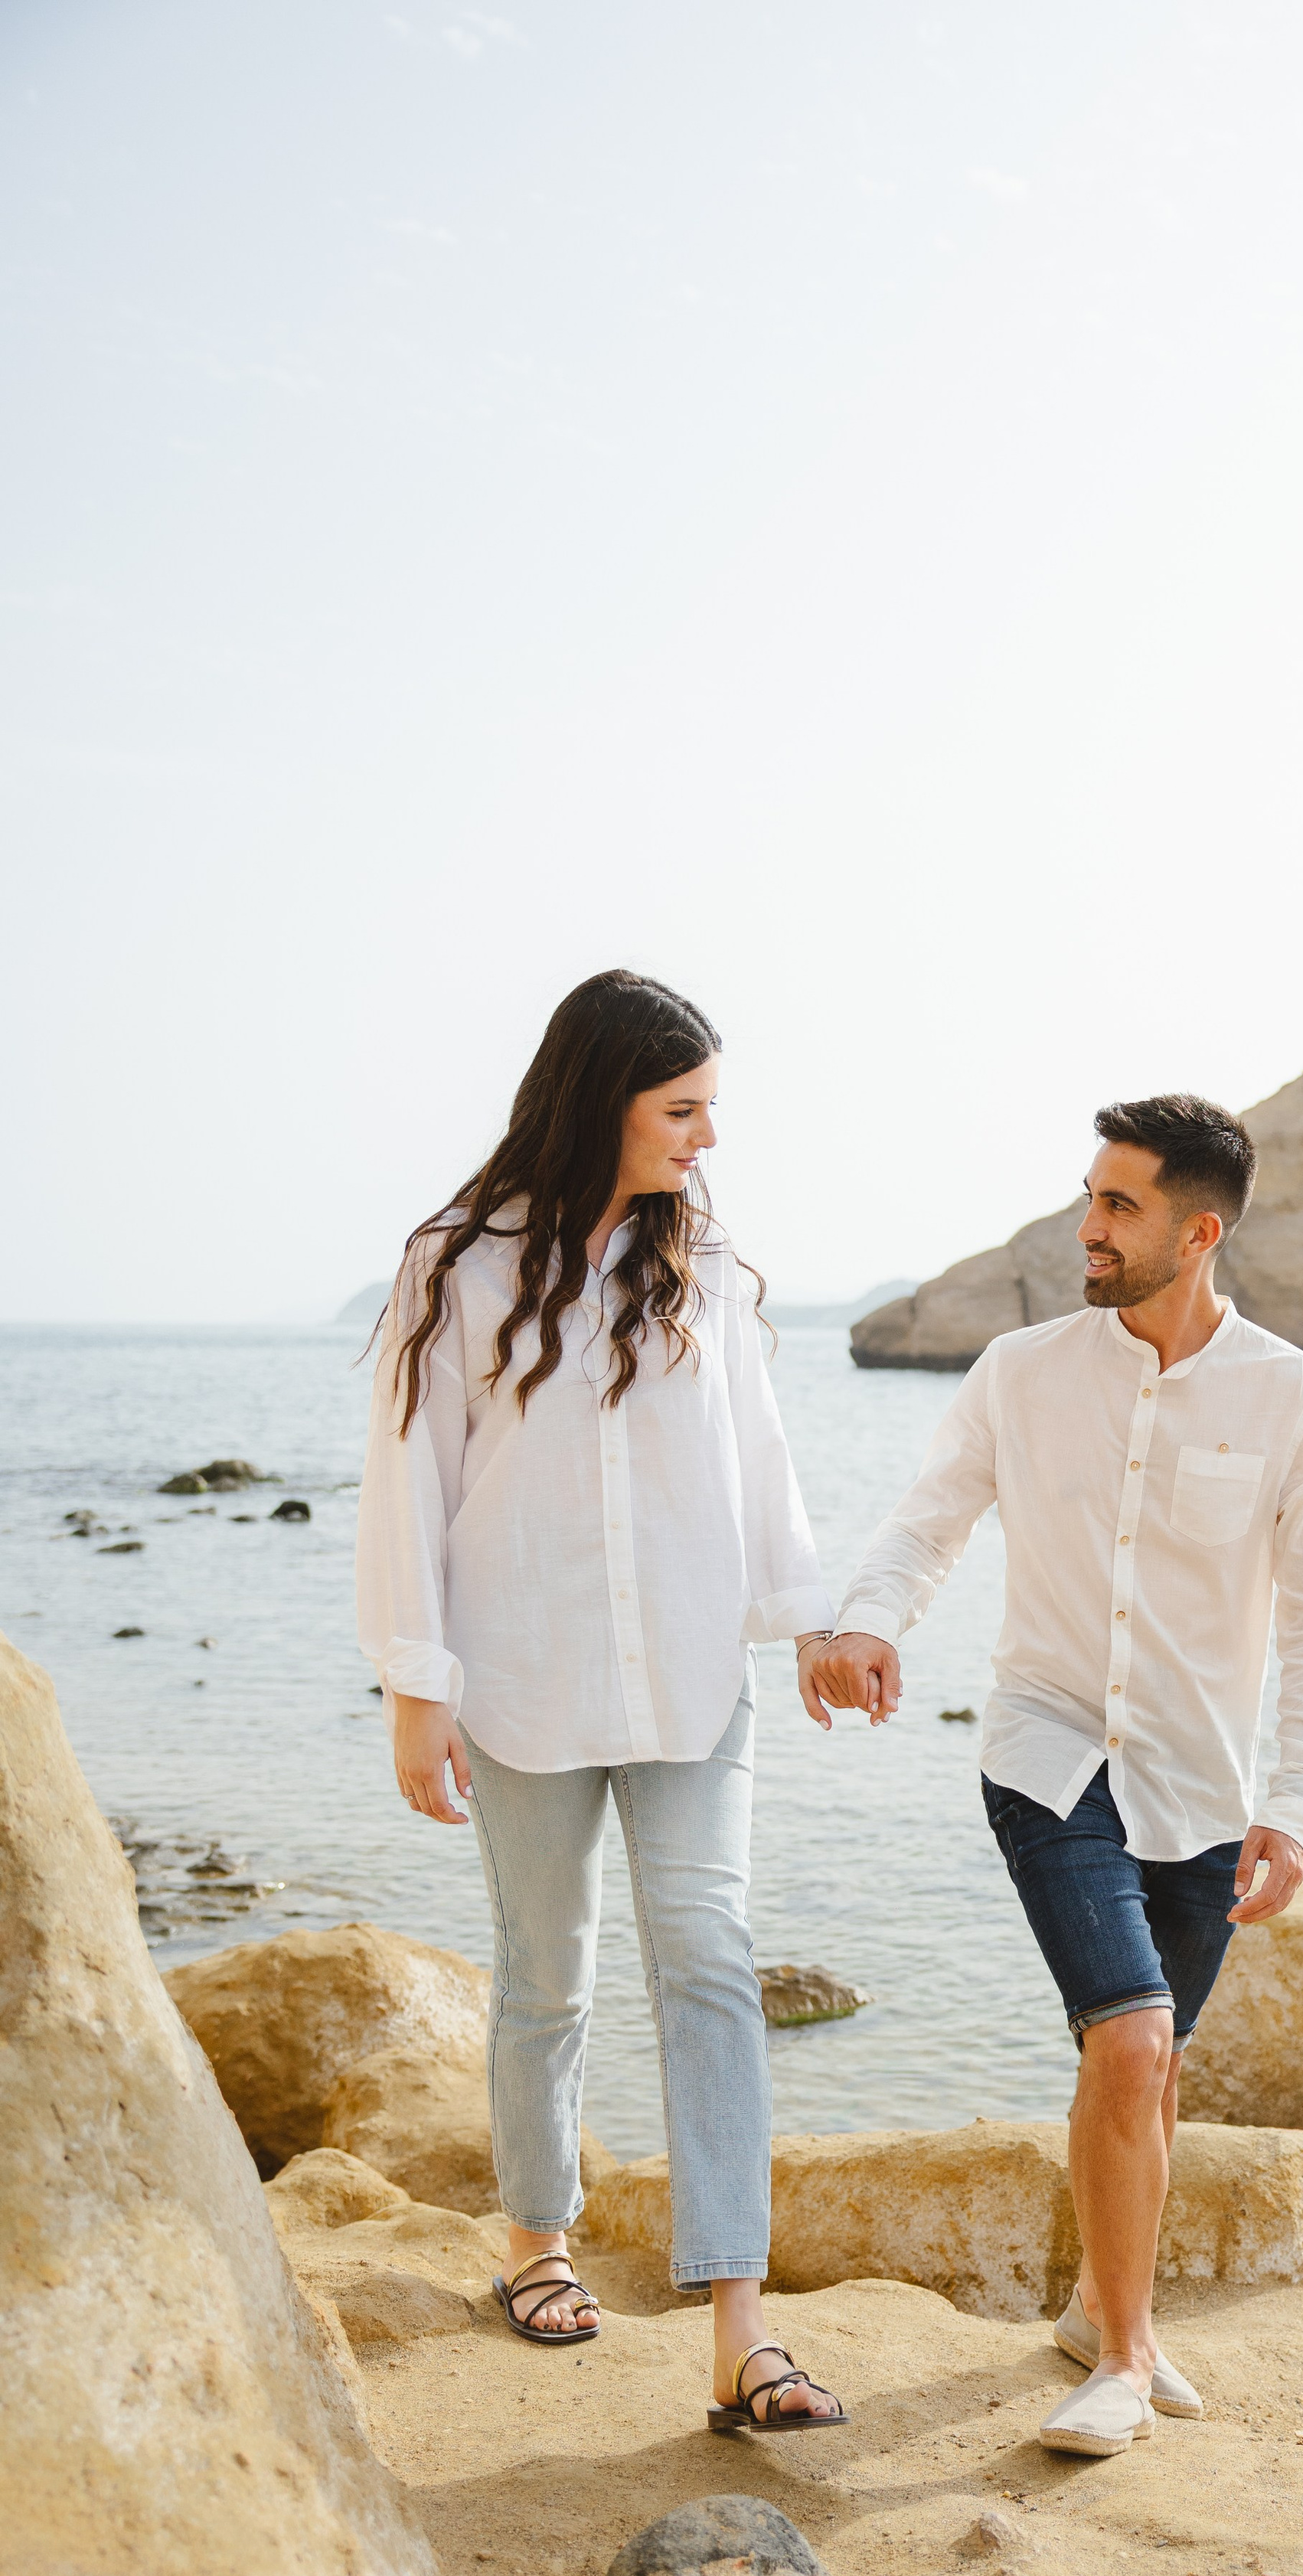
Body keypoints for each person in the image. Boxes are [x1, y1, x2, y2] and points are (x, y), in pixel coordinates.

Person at [801, 1094, 1303, 2457]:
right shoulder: (1022, 1370)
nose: (1088, 1226)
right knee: (1128, 2038)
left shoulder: (1295, 1401)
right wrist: (871, 1619)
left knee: (1151, 2070)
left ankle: (1089, 2308)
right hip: (1047, 1758)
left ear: (1200, 1229)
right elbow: (931, 1519)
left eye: (1120, 1205)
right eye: (1092, 1197)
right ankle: (1125, 2357)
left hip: (1201, 1781)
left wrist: (1293, 1806)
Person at [357, 969, 847, 2434]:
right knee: (548, 1970)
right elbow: (409, 1482)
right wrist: (415, 1686)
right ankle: (538, 2242)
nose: (707, 1138)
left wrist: (810, 1623)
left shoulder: (703, 1258)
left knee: (709, 1958)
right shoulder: (456, 1265)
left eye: (712, 1110)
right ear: (601, 1099)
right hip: (520, 1679)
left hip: (700, 1676)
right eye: (681, 1109)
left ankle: (741, 2336)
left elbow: (759, 1457)